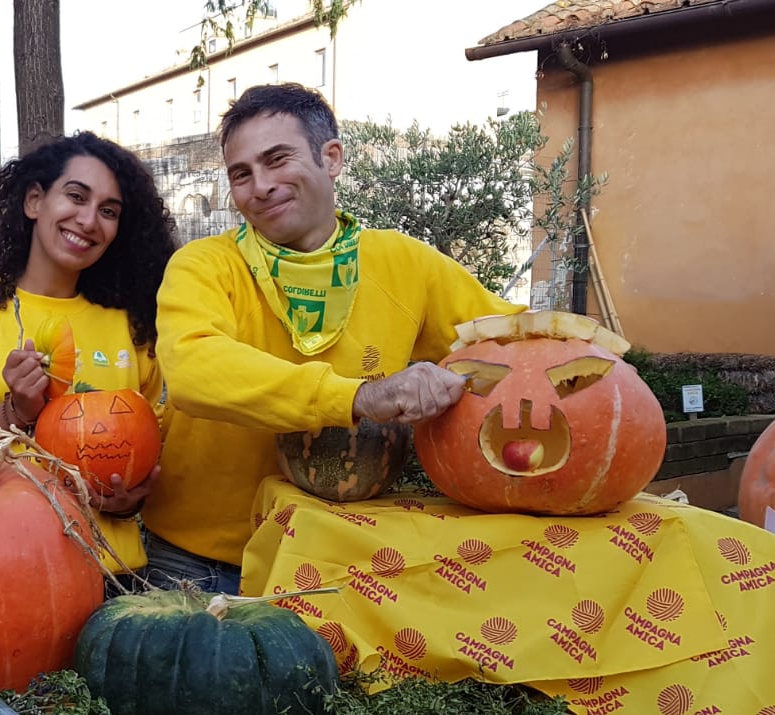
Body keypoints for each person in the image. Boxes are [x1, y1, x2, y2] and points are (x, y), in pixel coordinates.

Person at [141, 83, 525, 594]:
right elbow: (194, 371)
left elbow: (516, 345)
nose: (260, 185)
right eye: (242, 174)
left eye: (278, 159)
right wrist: (362, 396)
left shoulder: (405, 264)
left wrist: (595, 360)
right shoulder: (205, 265)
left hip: (339, 559)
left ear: (332, 158)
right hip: (196, 563)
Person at [0, 132, 178, 579]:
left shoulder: (134, 327)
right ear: (33, 201)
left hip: (113, 576)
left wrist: (130, 501)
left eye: (108, 211)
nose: (88, 220)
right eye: (76, 196)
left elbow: (151, 450)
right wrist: (15, 412)